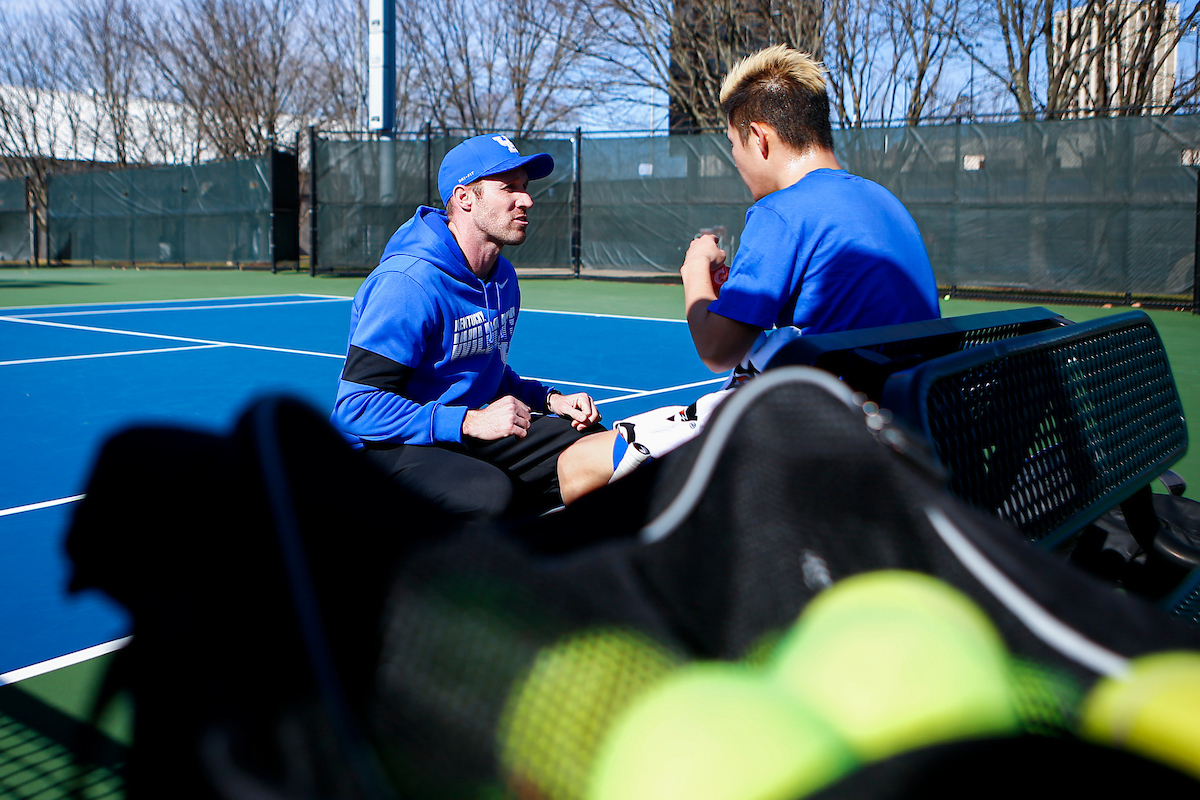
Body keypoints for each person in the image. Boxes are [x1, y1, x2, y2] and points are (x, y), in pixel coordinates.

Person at [557, 45, 940, 504]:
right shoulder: (885, 202)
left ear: (759, 138)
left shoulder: (780, 210)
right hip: (898, 423)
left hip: (818, 435)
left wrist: (694, 271)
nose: (735, 160)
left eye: (733, 145)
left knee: (575, 465)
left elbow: (718, 350)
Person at [332, 133, 603, 518]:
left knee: (592, 445)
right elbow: (356, 407)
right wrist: (469, 420)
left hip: (460, 427)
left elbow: (483, 368)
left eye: (525, 188)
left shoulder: (502, 277)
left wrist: (548, 400)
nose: (526, 200)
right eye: (508, 188)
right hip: (382, 447)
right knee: (487, 494)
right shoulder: (408, 283)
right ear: (465, 199)